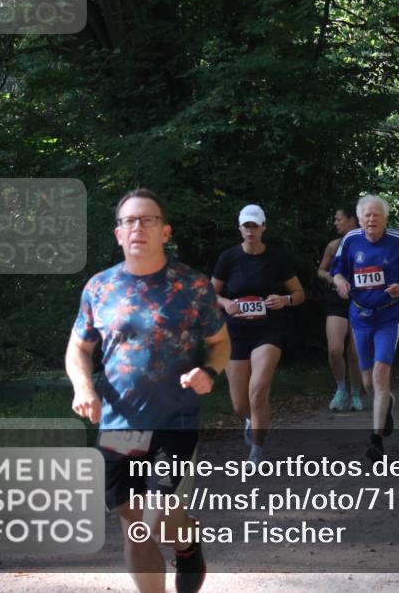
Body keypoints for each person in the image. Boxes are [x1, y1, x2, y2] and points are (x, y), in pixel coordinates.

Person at [66, 188, 229, 593]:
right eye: (129, 221)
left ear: (165, 231)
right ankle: (182, 547)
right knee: (133, 525)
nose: (137, 227)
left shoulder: (191, 286)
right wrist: (83, 386)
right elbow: (79, 348)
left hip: (176, 420)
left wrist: (209, 371)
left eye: (148, 220)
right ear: (118, 234)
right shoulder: (99, 288)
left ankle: (186, 542)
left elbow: (221, 342)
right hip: (118, 423)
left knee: (155, 518)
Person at [331, 195, 399, 462]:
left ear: (385, 218)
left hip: (388, 316)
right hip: (360, 316)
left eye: (376, 215)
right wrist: (341, 283)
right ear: (359, 219)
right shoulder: (350, 241)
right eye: (367, 216)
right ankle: (387, 405)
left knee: (381, 374)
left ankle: (376, 441)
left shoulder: (398, 241)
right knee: (367, 382)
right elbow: (337, 271)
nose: (371, 220)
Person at [211, 204, 305, 463]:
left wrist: (285, 300)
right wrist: (226, 303)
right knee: (241, 404)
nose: (250, 230)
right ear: (240, 228)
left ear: (263, 227)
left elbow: (299, 294)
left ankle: (257, 448)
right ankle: (251, 419)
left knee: (258, 390)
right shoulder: (228, 258)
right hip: (236, 332)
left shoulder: (275, 258)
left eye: (255, 225)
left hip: (268, 331)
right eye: (246, 226)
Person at [317, 205, 364, 412]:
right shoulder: (333, 246)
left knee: (354, 353)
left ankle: (355, 393)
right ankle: (341, 388)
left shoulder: (367, 243)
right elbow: (321, 270)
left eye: (338, 219)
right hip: (337, 301)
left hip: (361, 301)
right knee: (335, 349)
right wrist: (331, 278)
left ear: (352, 220)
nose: (335, 223)